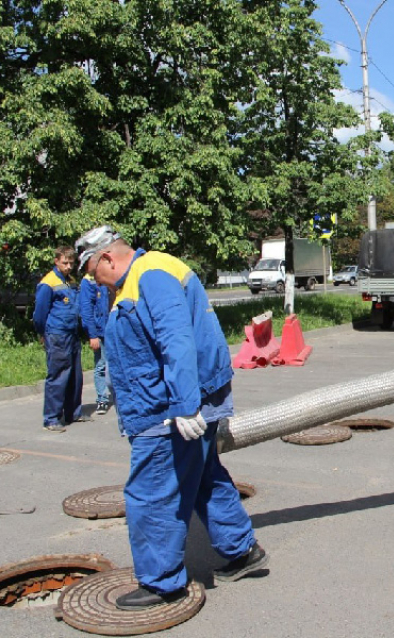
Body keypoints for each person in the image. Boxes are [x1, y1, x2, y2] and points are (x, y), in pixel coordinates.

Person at [75, 225, 269, 610]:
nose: (94, 281)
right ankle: (242, 551)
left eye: (93, 272)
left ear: (107, 258)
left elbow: (176, 340)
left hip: (167, 408)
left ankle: (162, 583)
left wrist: (184, 407)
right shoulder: (144, 275)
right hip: (179, 401)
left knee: (151, 491)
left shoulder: (150, 275)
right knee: (201, 480)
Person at [33, 246, 84, 433]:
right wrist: (42, 333)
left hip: (72, 333)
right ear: (56, 261)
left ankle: (73, 412)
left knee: (75, 376)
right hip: (57, 334)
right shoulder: (48, 283)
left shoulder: (70, 281)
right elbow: (39, 313)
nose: (68, 266)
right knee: (58, 376)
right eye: (65, 262)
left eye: (71, 263)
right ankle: (51, 418)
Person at [79, 272, 112, 414]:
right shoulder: (88, 281)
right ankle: (102, 399)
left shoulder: (109, 273)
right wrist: (92, 335)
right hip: (99, 330)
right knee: (101, 365)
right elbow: (86, 309)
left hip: (112, 327)